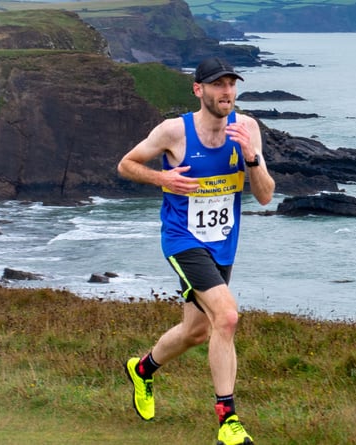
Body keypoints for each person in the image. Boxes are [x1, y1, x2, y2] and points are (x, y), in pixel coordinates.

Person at [117, 56, 275, 445]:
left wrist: (252, 158)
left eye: (231, 84)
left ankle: (143, 369)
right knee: (227, 316)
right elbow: (126, 164)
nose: (227, 92)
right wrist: (161, 177)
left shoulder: (247, 128)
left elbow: (266, 195)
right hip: (183, 240)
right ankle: (228, 420)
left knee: (196, 330)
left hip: (222, 244)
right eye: (218, 85)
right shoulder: (174, 132)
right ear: (198, 90)